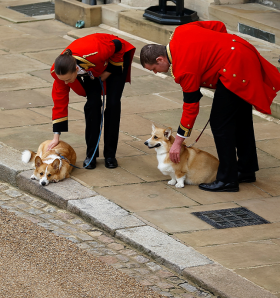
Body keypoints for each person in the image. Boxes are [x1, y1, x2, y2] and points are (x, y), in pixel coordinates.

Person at [140, 20, 280, 192]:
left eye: (154, 68)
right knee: (240, 118)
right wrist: (221, 49)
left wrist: (177, 142)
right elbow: (219, 25)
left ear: (160, 59)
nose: (156, 72)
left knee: (220, 124)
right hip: (242, 52)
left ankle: (228, 179)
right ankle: (245, 170)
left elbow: (191, 107)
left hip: (234, 69)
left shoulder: (184, 68)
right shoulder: (180, 31)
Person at [49, 33, 135, 169]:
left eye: (67, 79)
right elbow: (59, 102)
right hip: (92, 69)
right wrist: (56, 136)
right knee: (92, 105)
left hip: (114, 58)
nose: (65, 83)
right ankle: (91, 155)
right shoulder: (59, 73)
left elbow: (118, 46)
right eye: (63, 80)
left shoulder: (96, 52)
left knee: (113, 104)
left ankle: (110, 155)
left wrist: (109, 71)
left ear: (76, 70)